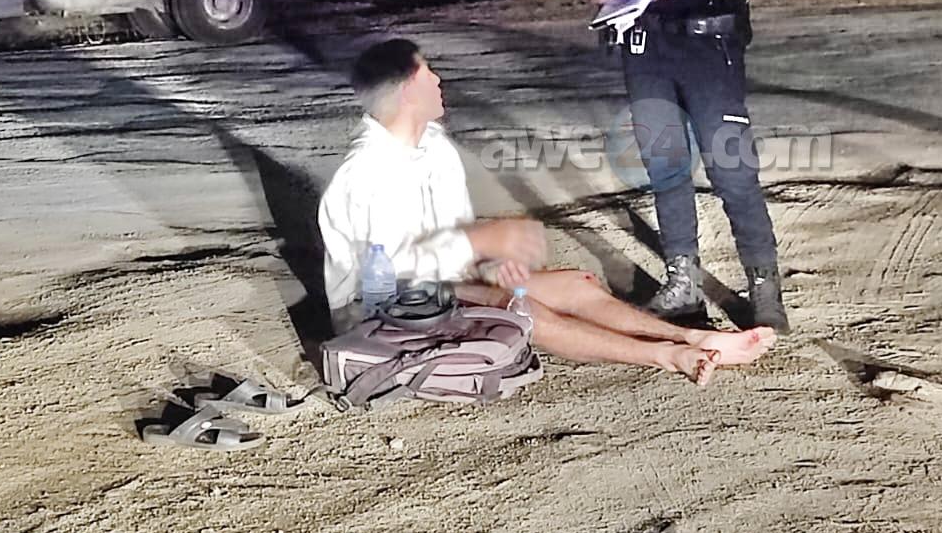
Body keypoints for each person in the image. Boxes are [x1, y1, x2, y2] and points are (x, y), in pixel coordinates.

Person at [317, 39, 777, 386]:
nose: (438, 81)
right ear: (406, 94)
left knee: (577, 284)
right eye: (427, 75)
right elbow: (394, 271)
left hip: (439, 285)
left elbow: (451, 239)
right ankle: (668, 357)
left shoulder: (432, 146)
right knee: (520, 305)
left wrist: (489, 261)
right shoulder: (367, 172)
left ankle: (689, 338)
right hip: (377, 311)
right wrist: (481, 244)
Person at [591, 0, 789, 331]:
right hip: (644, 40)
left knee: (731, 168)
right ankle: (683, 284)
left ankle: (764, 288)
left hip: (708, 38)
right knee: (664, 166)